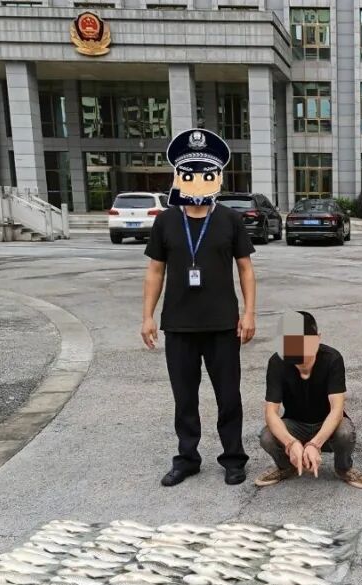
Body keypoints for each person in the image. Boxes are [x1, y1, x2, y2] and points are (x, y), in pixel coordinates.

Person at [142, 128, 257, 487]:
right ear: (178, 176)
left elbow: (245, 269)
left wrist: (249, 313)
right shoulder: (166, 220)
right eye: (188, 172)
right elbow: (155, 271)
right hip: (179, 325)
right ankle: (187, 459)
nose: (196, 179)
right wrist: (147, 316)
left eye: (205, 173)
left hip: (223, 324)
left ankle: (233, 459)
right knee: (184, 398)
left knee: (229, 397)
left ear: (216, 177)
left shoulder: (229, 219)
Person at [255, 312, 362, 490]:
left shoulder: (332, 359)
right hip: (295, 424)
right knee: (267, 436)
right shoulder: (277, 362)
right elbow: (271, 413)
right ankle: (286, 467)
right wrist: (291, 443)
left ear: (317, 339)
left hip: (327, 425)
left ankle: (343, 468)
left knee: (345, 432)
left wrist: (314, 444)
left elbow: (337, 410)